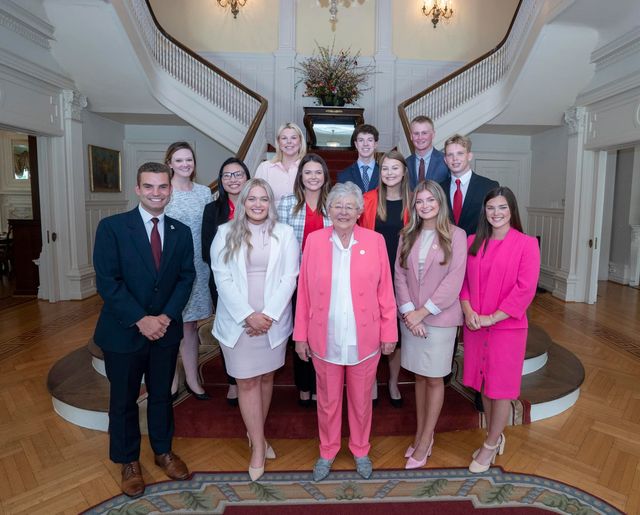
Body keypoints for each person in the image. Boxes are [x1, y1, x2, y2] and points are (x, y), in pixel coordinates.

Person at [93, 162, 195, 498]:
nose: (156, 193)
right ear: (137, 189)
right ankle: (128, 462)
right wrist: (141, 319)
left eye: (162, 187)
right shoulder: (113, 228)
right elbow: (108, 282)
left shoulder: (181, 231)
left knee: (162, 396)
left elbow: (185, 277)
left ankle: (163, 451)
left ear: (170, 189)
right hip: (124, 331)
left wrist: (164, 316)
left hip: (165, 331)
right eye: (149, 186)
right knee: (123, 400)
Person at [293, 182, 398, 482]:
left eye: (349, 206)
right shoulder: (314, 241)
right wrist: (300, 335)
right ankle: (327, 450)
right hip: (324, 337)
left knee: (362, 400)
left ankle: (360, 449)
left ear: (358, 211)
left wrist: (389, 333)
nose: (342, 211)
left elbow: (386, 291)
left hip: (364, 339)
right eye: (337, 206)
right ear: (329, 209)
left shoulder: (375, 241)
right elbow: (304, 294)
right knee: (326, 401)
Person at [210, 178, 299, 481]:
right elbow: (222, 278)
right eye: (252, 199)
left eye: (264, 199)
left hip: (272, 323)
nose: (258, 204)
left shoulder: (285, 234)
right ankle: (258, 447)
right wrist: (248, 316)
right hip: (239, 323)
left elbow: (290, 277)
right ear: (243, 202)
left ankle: (255, 434)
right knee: (246, 382)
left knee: (265, 379)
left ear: (270, 203)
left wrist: (268, 315)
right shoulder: (224, 233)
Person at [461, 187, 540, 473]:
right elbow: (464, 282)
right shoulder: (473, 241)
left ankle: (491, 444)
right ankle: (495, 435)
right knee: (484, 384)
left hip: (507, 327)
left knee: (501, 387)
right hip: (475, 326)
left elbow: (525, 289)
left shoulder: (527, 244)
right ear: (485, 211)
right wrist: (469, 311)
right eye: (491, 207)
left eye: (502, 208)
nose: (496, 213)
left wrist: (492, 318)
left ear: (512, 210)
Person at [394, 180, 467, 469]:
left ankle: (426, 440)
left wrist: (422, 313)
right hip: (411, 319)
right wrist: (409, 311)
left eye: (430, 201)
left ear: (440, 202)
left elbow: (454, 280)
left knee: (434, 378)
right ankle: (421, 433)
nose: (425, 206)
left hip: (439, 319)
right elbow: (398, 274)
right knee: (420, 377)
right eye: (420, 201)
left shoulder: (456, 235)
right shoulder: (406, 234)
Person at [276, 153, 332, 407]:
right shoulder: (286, 204)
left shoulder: (334, 204)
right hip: (295, 281)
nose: (313, 177)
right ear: (301, 176)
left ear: (325, 177)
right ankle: (304, 386)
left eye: (318, 172)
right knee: (301, 333)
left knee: (324, 335)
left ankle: (321, 385)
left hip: (329, 282)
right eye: (308, 172)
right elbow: (278, 246)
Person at [359, 150, 411, 407]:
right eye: (385, 169)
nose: (389, 173)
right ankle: (371, 383)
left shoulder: (413, 201)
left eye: (394, 168)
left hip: (404, 275)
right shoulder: (368, 199)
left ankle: (392, 381)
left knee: (397, 333)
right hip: (373, 275)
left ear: (403, 171)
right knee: (371, 329)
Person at [163, 142, 213, 400]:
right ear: (169, 163)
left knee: (191, 326)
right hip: (170, 268)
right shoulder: (164, 192)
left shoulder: (204, 192)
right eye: (179, 160)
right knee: (171, 325)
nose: (185, 164)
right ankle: (172, 381)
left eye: (189, 160)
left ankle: (193, 379)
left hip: (198, 267)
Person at [201, 157, 251, 406]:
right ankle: (233, 381)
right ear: (221, 181)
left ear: (247, 177)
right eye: (227, 175)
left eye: (238, 174)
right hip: (223, 282)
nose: (233, 179)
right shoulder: (212, 210)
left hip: (255, 281)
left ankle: (252, 375)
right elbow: (206, 251)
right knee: (228, 332)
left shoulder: (257, 204)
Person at [440, 134, 499, 235]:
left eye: (460, 153)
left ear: (469, 156)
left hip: (478, 248)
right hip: (446, 248)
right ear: (445, 160)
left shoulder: (489, 186)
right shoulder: (439, 188)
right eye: (450, 155)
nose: (455, 159)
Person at [255, 122, 307, 202]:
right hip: (272, 214)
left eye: (293, 138)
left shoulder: (308, 168)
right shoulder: (265, 168)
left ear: (300, 142)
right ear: (279, 143)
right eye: (284, 138)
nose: (289, 141)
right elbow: (256, 197)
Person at [406, 116, 449, 189]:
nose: (420, 137)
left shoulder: (446, 161)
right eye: (416, 133)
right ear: (411, 136)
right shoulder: (405, 163)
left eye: (424, 133)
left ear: (433, 135)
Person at [337, 124, 380, 192]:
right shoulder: (344, 175)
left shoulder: (384, 173)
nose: (365, 144)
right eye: (361, 140)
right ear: (356, 144)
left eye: (370, 140)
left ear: (375, 144)